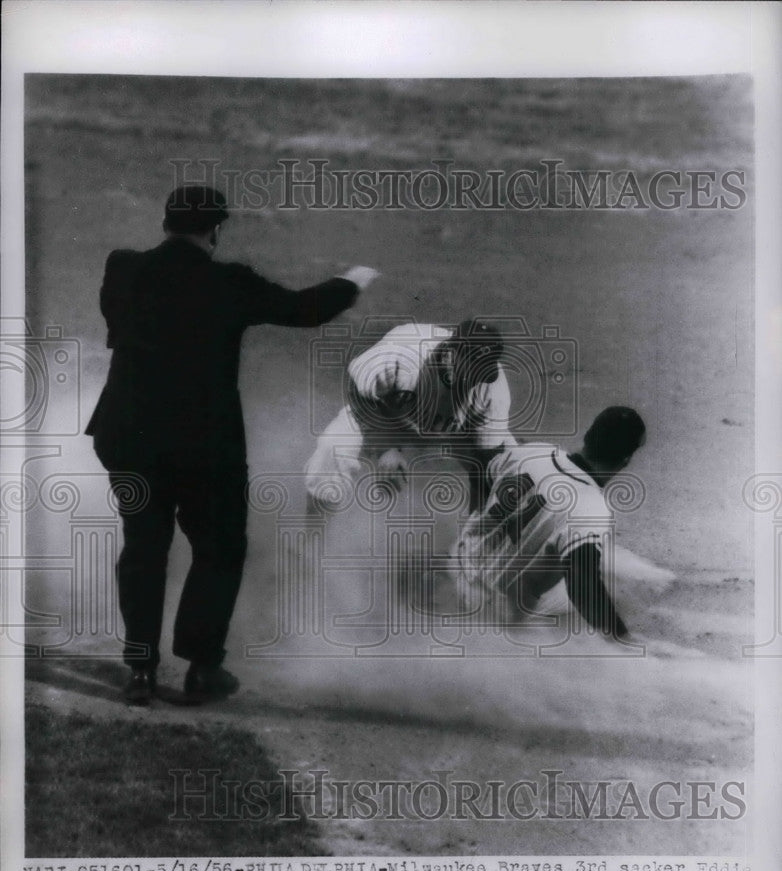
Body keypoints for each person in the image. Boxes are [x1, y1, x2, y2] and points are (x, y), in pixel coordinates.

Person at [86, 184, 378, 705]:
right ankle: (202, 667)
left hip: (129, 434)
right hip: (204, 444)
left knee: (144, 548)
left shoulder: (123, 268)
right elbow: (304, 310)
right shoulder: (231, 282)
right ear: (216, 231)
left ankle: (141, 672)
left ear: (166, 223)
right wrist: (352, 280)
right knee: (219, 549)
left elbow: (118, 323)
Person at [454, 406, 647, 640]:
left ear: (588, 435)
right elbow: (583, 589)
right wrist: (623, 640)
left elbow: (480, 471)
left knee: (569, 544)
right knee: (604, 581)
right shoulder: (592, 508)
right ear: (626, 460)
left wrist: (484, 520)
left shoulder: (534, 451)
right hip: (493, 613)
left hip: (458, 566)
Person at [304, 318, 515, 516]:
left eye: (481, 373)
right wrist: (386, 447)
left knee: (511, 472)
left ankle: (476, 542)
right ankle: (313, 537)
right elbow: (358, 390)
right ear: (450, 354)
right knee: (332, 449)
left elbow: (486, 463)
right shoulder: (404, 352)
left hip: (454, 432)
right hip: (386, 414)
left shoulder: (492, 389)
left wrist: (478, 525)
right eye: (470, 370)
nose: (475, 380)